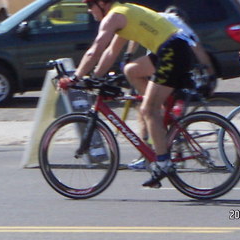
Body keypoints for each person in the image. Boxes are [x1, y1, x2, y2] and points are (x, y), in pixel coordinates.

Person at [58, 0, 195, 188]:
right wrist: (96, 77)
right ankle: (159, 113)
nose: (90, 11)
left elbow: (95, 50)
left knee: (148, 110)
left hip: (172, 50)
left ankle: (163, 163)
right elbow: (110, 52)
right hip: (170, 49)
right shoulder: (122, 14)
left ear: (102, 3)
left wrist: (75, 78)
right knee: (132, 70)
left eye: (90, 5)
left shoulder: (114, 16)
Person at [122, 6, 215, 170]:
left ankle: (152, 154)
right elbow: (197, 47)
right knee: (154, 110)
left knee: (147, 110)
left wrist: (128, 56)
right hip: (168, 63)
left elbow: (134, 38)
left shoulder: (154, 18)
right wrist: (210, 74)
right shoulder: (177, 22)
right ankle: (164, 144)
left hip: (165, 63)